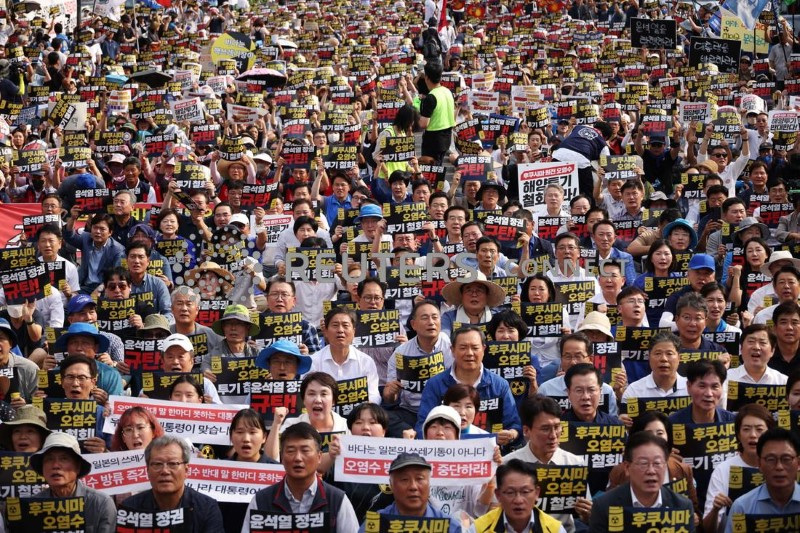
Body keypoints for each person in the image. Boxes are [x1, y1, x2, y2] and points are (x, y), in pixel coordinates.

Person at [242, 422, 358, 533]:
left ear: (319, 457)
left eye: (305, 451)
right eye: (291, 451)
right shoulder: (261, 501)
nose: (298, 458)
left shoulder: (337, 500)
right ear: (282, 457)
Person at [415, 327, 522, 445]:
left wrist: (510, 434)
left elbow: (514, 425)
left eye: (475, 348)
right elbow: (422, 425)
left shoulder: (500, 385)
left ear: (484, 349)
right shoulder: (435, 384)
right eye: (463, 348)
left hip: (490, 453)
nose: (469, 353)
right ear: (452, 350)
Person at [502, 395, 592, 530]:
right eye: (545, 429)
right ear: (526, 431)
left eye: (557, 427)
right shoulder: (507, 465)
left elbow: (586, 514)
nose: (553, 435)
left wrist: (587, 515)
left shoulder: (575, 463)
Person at [122, 436, 224, 533]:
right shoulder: (130, 508)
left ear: (186, 470)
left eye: (173, 464)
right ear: (147, 470)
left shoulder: (206, 508)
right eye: (157, 464)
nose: (165, 471)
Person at [607, 411, 700, 515]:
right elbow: (609, 509)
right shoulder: (620, 472)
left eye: (660, 433)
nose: (655, 438)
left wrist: (693, 518)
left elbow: (694, 508)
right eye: (648, 434)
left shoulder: (683, 469)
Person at [385, 299, 453, 436]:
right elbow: (390, 398)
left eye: (435, 317)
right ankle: (417, 434)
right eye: (425, 318)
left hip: (441, 411)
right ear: (413, 324)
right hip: (410, 411)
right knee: (382, 417)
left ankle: (417, 436)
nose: (431, 322)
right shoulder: (400, 353)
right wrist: (390, 391)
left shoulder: (451, 348)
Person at [704, 404, 775, 532]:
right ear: (738, 434)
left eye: (759, 429)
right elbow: (708, 529)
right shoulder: (723, 470)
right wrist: (715, 509)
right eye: (746, 429)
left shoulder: (780, 467)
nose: (753, 435)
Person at [30, 433, 116, 533]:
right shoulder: (33, 506)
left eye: (64, 458)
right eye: (49, 459)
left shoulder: (101, 503)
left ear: (78, 467)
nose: (55, 465)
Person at [358, 452, 462, 533]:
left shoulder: (449, 526)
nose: (413, 486)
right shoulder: (375, 524)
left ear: (429, 483)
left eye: (419, 479)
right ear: (391, 485)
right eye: (404, 479)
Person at [724, 428, 800, 533]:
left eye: (786, 459)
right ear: (759, 464)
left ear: (798, 463)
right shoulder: (742, 507)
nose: (779, 467)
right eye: (771, 459)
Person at [309, 307, 381, 405]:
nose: (340, 330)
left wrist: (366, 405)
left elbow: (374, 395)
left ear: (354, 331)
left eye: (345, 325)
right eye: (335, 325)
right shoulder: (314, 361)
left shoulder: (366, 361)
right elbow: (308, 395)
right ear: (325, 331)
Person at [472, 458, 566, 533]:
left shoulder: (555, 529)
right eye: (510, 492)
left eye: (525, 492)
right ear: (498, 495)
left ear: (537, 493)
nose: (518, 500)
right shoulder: (478, 529)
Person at [538, 333, 620, 417]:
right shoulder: (546, 390)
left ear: (590, 359)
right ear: (561, 359)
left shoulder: (606, 391)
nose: (573, 362)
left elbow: (612, 424)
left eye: (578, 356)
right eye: (568, 356)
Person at [669, 359, 734, 424]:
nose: (709, 394)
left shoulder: (733, 422)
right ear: (689, 386)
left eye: (714, 387)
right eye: (702, 386)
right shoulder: (672, 423)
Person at [419, 61, 455, 164]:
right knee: (438, 168)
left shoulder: (431, 97)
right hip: (446, 138)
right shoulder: (448, 91)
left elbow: (423, 124)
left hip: (433, 140)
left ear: (427, 77)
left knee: (430, 171)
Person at [0, 318, 38, 406]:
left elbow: (42, 403)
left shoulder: (29, 368)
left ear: (10, 343)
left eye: (1, 338)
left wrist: (26, 405)